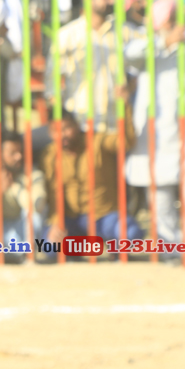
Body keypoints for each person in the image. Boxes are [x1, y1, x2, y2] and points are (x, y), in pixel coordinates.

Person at [124, 0, 185, 259]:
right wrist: (164, 42)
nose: (176, 26)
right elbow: (129, 56)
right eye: (169, 21)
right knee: (159, 195)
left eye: (177, 20)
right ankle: (171, 250)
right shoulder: (146, 47)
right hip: (156, 137)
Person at [41, 100, 143, 258]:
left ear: (77, 125)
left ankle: (115, 250)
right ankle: (76, 253)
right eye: (56, 131)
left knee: (131, 234)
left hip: (105, 216)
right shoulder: (49, 155)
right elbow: (52, 193)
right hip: (71, 220)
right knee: (49, 245)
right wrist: (55, 223)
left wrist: (124, 107)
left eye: (66, 128)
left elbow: (126, 141)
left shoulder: (97, 141)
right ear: (50, 133)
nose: (62, 135)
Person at [49, 0, 124, 133]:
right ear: (87, 0)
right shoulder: (67, 35)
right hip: (80, 121)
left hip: (114, 121)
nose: (112, 0)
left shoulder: (123, 31)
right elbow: (52, 78)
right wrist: (62, 116)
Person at [0, 132, 47, 257]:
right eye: (12, 153)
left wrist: (14, 187)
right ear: (0, 154)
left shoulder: (33, 174)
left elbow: (37, 206)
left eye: (20, 152)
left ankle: (26, 255)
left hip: (19, 233)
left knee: (37, 208)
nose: (19, 156)